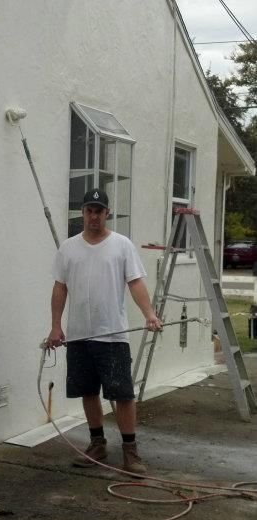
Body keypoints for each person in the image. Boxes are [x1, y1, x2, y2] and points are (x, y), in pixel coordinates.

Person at [46, 188, 162, 474]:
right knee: (88, 391)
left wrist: (149, 314)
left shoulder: (122, 245)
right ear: (82, 212)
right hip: (79, 336)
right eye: (89, 210)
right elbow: (60, 287)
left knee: (122, 394)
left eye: (99, 210)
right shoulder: (68, 248)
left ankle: (130, 451)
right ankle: (97, 444)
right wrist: (56, 326)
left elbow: (135, 282)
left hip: (112, 335)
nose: (93, 215)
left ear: (107, 213)